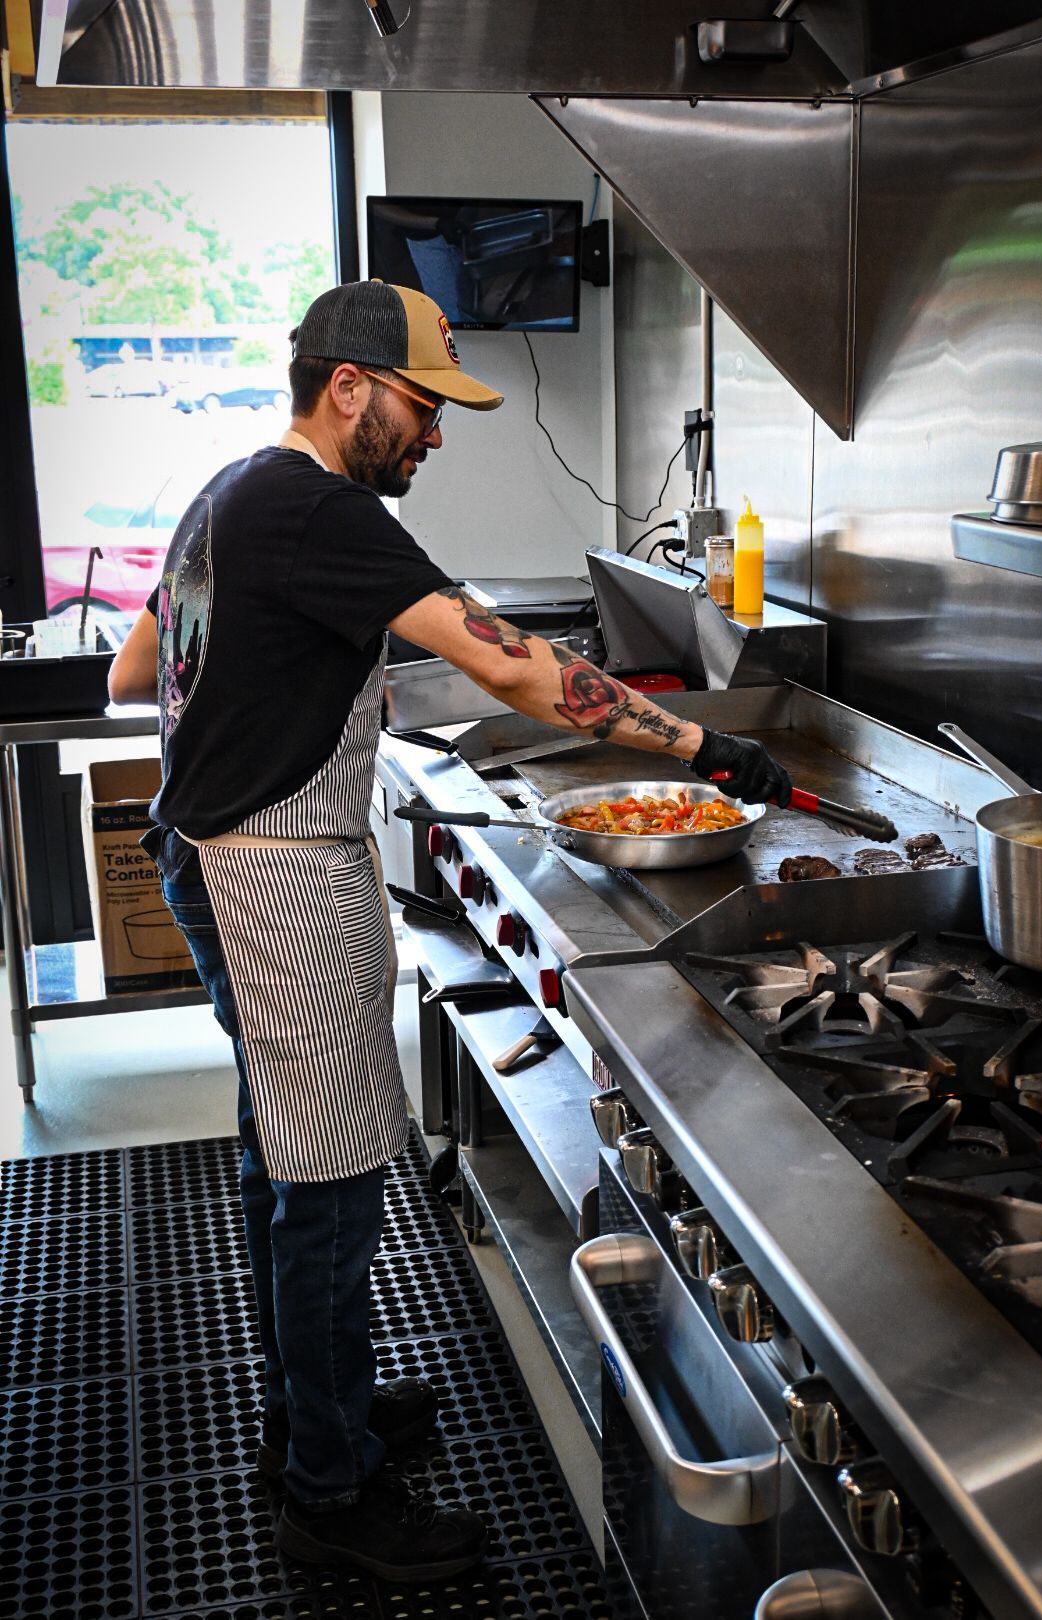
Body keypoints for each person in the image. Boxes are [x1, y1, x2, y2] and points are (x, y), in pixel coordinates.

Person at [108, 279, 791, 1583]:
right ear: (349, 388)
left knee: (282, 1162)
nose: (435, 436)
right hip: (275, 880)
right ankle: (327, 1490)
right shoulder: (317, 505)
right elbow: (519, 668)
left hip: (214, 857)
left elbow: (138, 674)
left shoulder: (227, 493)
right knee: (333, 1183)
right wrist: (708, 745)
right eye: (424, 408)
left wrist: (292, 683)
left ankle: (329, 1409)